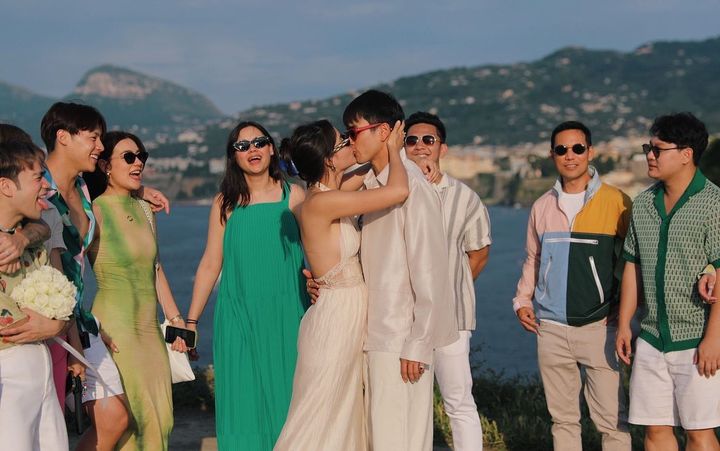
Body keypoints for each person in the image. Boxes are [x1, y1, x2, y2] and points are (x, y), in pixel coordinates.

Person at [39, 102, 170, 451]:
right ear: (63, 137)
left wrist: (141, 191)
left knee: (115, 418)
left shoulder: (84, 188)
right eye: (93, 137)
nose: (100, 146)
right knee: (47, 424)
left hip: (78, 319)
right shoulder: (37, 186)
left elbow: (114, 190)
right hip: (43, 320)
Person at [274, 119, 408, 450]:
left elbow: (368, 168)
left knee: (343, 412)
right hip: (335, 318)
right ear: (329, 160)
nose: (351, 142)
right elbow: (398, 192)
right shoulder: (322, 202)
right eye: (343, 140)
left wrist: (386, 146)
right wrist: (393, 149)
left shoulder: (332, 193)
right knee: (320, 412)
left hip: (345, 311)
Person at [338, 90, 458, 451]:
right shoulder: (372, 186)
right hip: (372, 336)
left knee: (400, 438)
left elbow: (431, 271)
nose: (349, 140)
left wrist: (417, 344)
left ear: (383, 131)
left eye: (354, 132)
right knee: (381, 438)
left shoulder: (413, 188)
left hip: (400, 339)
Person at [185, 120, 307, 450]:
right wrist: (191, 321)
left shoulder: (294, 195)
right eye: (242, 145)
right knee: (243, 402)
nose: (252, 149)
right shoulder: (224, 203)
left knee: (288, 400)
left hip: (288, 314)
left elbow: (317, 246)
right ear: (234, 156)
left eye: (259, 142)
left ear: (272, 149)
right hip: (238, 316)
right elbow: (210, 263)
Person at [512, 121, 632, 451]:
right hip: (551, 329)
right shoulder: (542, 206)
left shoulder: (617, 202)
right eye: (561, 149)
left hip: (600, 327)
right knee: (562, 420)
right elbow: (533, 258)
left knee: (612, 421)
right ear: (552, 154)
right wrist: (522, 300)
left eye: (577, 148)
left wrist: (625, 316)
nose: (570, 155)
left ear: (590, 152)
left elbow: (633, 263)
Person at [616, 112, 720, 451]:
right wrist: (624, 324)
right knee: (655, 431)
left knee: (699, 433)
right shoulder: (643, 203)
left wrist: (714, 338)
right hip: (651, 336)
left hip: (697, 337)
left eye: (658, 149)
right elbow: (632, 265)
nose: (649, 155)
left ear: (686, 154)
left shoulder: (714, 203)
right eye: (648, 147)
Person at [81, 131, 187, 450]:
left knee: (162, 419)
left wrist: (177, 320)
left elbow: (155, 268)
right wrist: (84, 325)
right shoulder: (95, 212)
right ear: (105, 166)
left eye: (142, 156)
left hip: (149, 332)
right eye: (128, 157)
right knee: (134, 420)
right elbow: (69, 269)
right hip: (116, 330)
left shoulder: (145, 209)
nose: (138, 162)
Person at [403, 111, 491, 451]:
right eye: (412, 140)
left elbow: (478, 253)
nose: (420, 146)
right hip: (403, 317)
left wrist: (446, 292)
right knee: (410, 402)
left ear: (443, 148)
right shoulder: (392, 191)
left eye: (429, 139)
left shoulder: (465, 197)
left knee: (458, 399)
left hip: (452, 318)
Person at [0, 139, 69, 451]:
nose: (46, 186)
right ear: (6, 186)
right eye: (38, 177)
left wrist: (57, 324)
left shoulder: (31, 239)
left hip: (42, 377)